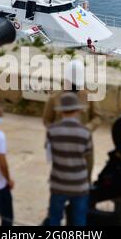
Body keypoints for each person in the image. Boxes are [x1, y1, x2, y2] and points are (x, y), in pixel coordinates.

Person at [43, 59, 102, 181]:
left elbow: (97, 117)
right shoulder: (54, 98)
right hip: (62, 143)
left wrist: (88, 129)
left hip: (84, 143)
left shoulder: (89, 96)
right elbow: (47, 120)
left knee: (86, 175)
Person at [47, 92, 92, 226]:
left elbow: (50, 154)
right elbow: (87, 153)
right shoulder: (85, 132)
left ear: (61, 111)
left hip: (58, 183)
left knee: (54, 219)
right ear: (77, 110)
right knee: (79, 220)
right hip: (79, 184)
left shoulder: (52, 131)